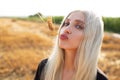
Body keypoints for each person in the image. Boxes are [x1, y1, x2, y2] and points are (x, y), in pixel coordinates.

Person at [34, 10, 108, 80]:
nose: (66, 29)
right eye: (66, 23)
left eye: (78, 26)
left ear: (92, 38)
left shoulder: (99, 78)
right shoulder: (44, 66)